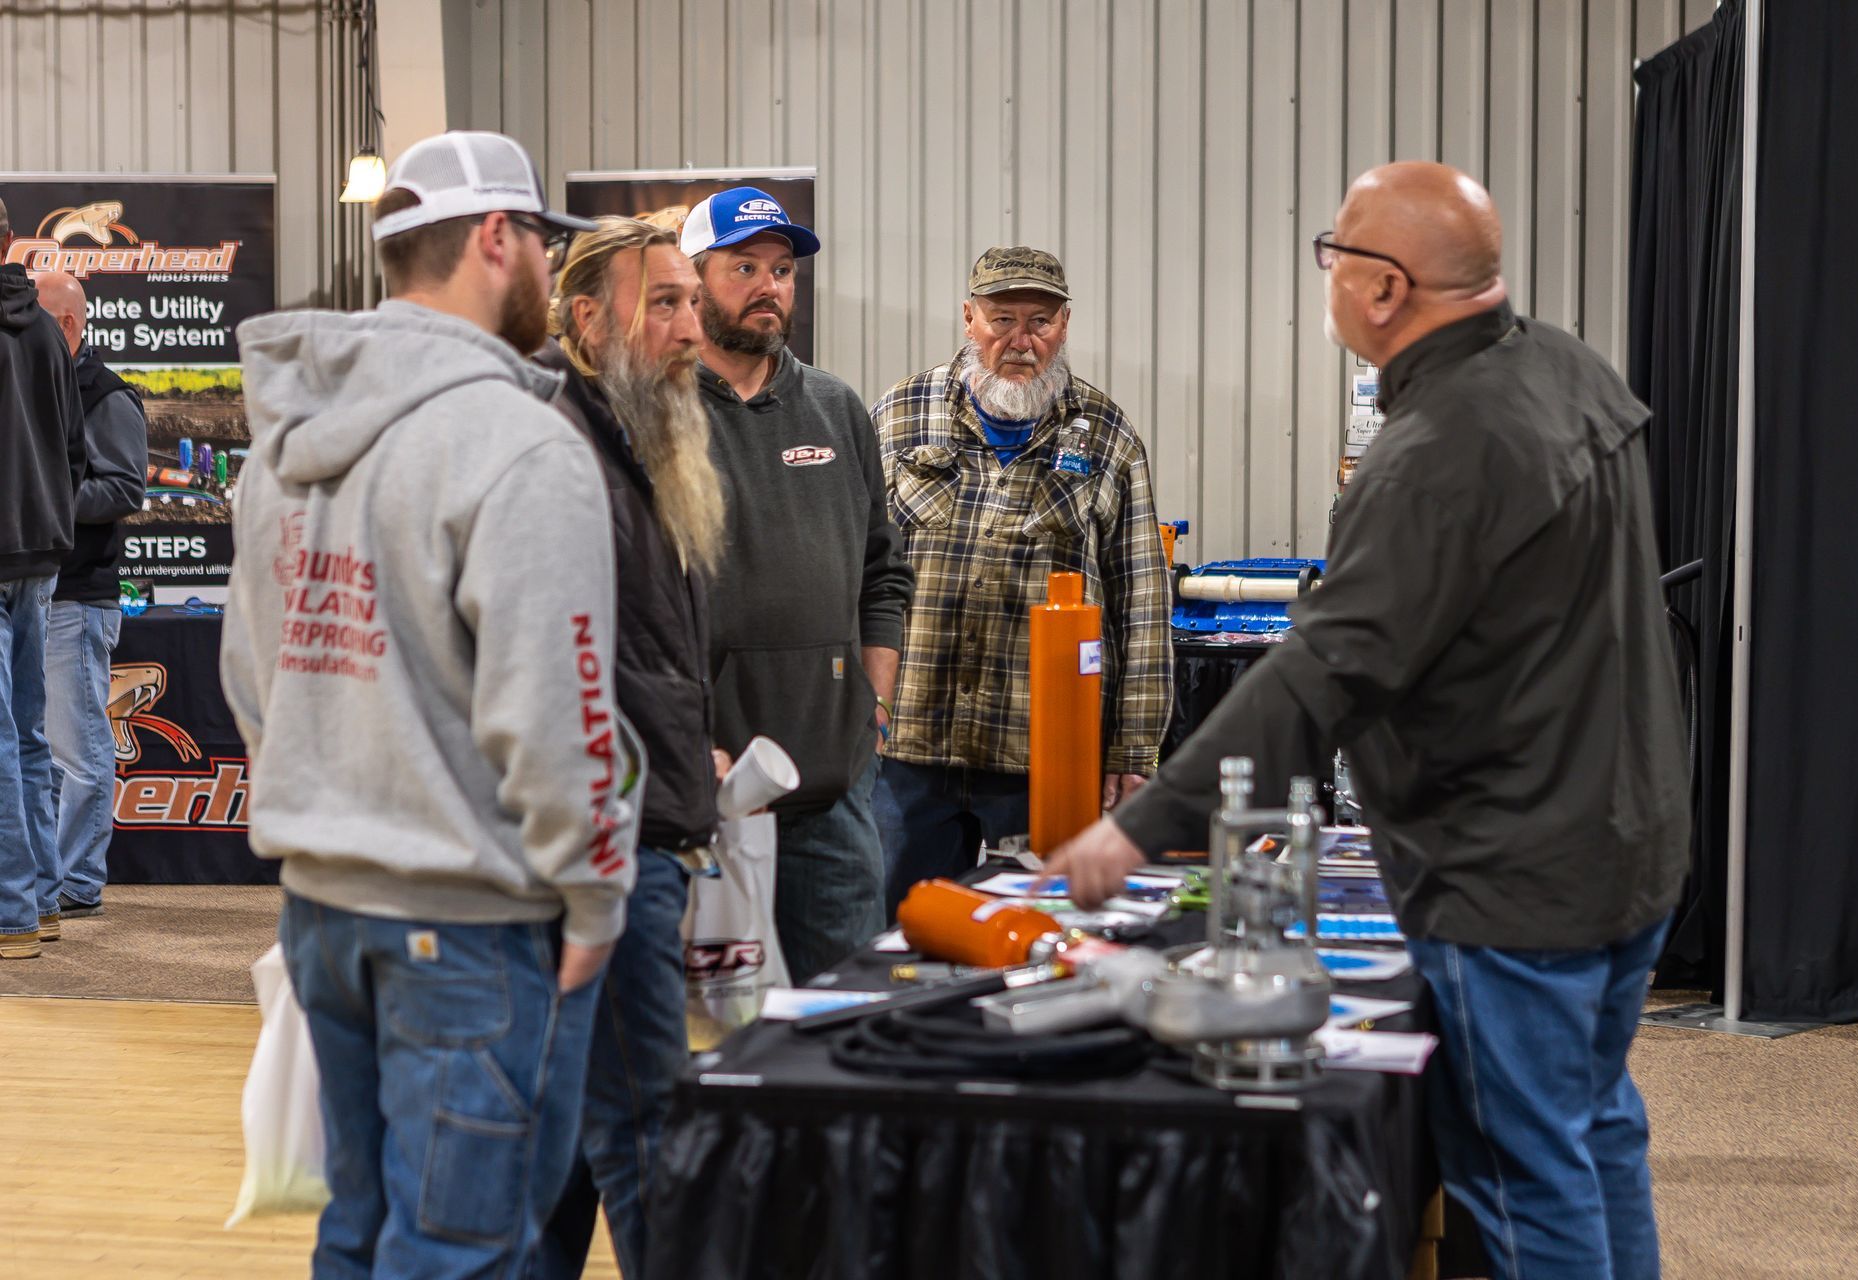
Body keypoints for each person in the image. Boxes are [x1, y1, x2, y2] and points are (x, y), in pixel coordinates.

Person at [1048, 162, 1689, 1279]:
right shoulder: (1568, 368)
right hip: (1626, 840)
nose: (1328, 274)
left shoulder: (1437, 452)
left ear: (1385, 287)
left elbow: (1317, 676)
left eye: (1335, 253)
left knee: (1523, 1171)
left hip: (1513, 876)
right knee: (1595, 1129)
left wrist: (1138, 826)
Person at [219, 131, 637, 1277]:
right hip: (469, 924)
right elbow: (555, 711)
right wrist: (595, 892)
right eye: (543, 241)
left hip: (323, 911)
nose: (550, 267)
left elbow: (254, 675)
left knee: (357, 1231)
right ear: (497, 238)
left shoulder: (284, 444)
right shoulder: (522, 445)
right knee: (459, 1251)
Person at [530, 217, 724, 1278]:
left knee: (564, 1146)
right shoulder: (561, 455)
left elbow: (644, 656)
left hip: (643, 834)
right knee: (650, 1128)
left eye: (693, 301)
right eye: (665, 304)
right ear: (588, 319)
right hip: (606, 853)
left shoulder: (641, 444)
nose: (692, 328)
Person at [870, 246, 1173, 911]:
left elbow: (1143, 605)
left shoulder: (1107, 435)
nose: (1021, 340)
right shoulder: (900, 413)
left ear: (1064, 325)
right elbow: (856, 570)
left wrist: (1133, 752)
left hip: (1047, 750)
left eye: (1040, 321)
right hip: (908, 740)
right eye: (1002, 319)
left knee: (1047, 929)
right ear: (969, 319)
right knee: (897, 934)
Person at [682, 187, 914, 984]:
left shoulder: (836, 408)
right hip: (702, 790)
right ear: (694, 280)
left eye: (781, 270)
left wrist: (874, 704)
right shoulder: (655, 413)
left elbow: (883, 571)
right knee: (707, 1026)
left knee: (842, 1004)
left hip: (831, 788)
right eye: (744, 267)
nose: (769, 287)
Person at [32, 269, 148, 920]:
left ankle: (77, 879)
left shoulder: (106, 394)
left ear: (68, 324)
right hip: (40, 594)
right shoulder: (41, 385)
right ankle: (50, 875)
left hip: (78, 598)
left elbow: (125, 487)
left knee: (79, 750)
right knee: (47, 753)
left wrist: (43, 500)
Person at [0, 198, 86, 960]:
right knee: (27, 735)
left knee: (6, 738)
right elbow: (75, 452)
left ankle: (10, 913)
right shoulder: (48, 335)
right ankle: (43, 900)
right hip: (41, 559)